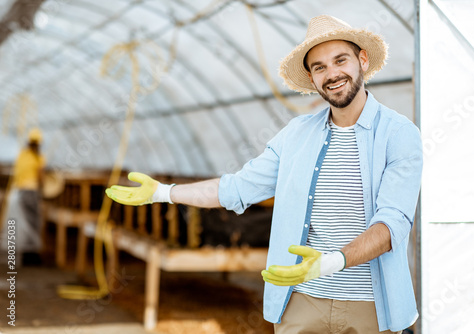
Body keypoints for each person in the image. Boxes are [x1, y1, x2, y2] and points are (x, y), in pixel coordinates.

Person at [106, 15, 422, 334]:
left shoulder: (399, 135)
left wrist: (330, 263)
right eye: (319, 67)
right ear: (311, 79)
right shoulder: (297, 133)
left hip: (371, 306)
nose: (332, 74)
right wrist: (164, 192)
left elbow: (391, 224)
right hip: (302, 300)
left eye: (340, 60)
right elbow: (238, 188)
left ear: (362, 60)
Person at [9, 128, 46, 265]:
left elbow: (17, 173)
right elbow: (40, 176)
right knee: (34, 222)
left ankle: (26, 253)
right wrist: (44, 189)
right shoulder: (37, 157)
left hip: (20, 192)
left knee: (26, 221)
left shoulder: (22, 155)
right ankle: (32, 255)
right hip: (31, 192)